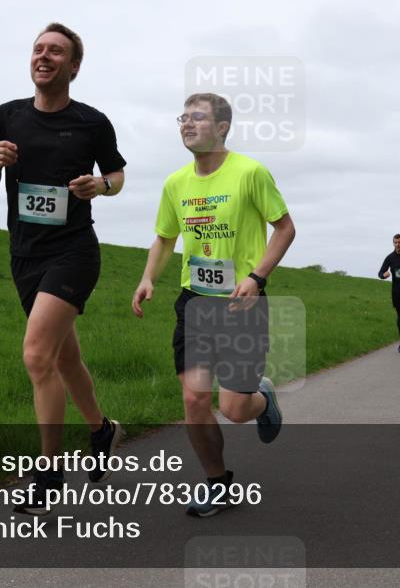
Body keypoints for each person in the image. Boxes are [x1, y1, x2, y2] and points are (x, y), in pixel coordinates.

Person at [0, 23, 126, 515]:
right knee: (63, 359)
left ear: (73, 66)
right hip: (24, 255)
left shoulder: (92, 122)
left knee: (37, 354)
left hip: (74, 252)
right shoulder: (8, 116)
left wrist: (98, 187)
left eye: (56, 51)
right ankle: (102, 428)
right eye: (38, 49)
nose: (44, 56)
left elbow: (118, 175)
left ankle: (48, 471)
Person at [132, 92, 296, 517]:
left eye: (197, 118)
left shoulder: (250, 172)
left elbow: (284, 229)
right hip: (195, 304)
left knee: (234, 410)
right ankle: (218, 482)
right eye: (182, 118)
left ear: (222, 127)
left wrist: (257, 277)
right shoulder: (175, 183)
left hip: (242, 303)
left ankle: (262, 400)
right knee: (193, 400)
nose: (187, 124)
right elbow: (166, 238)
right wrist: (149, 276)